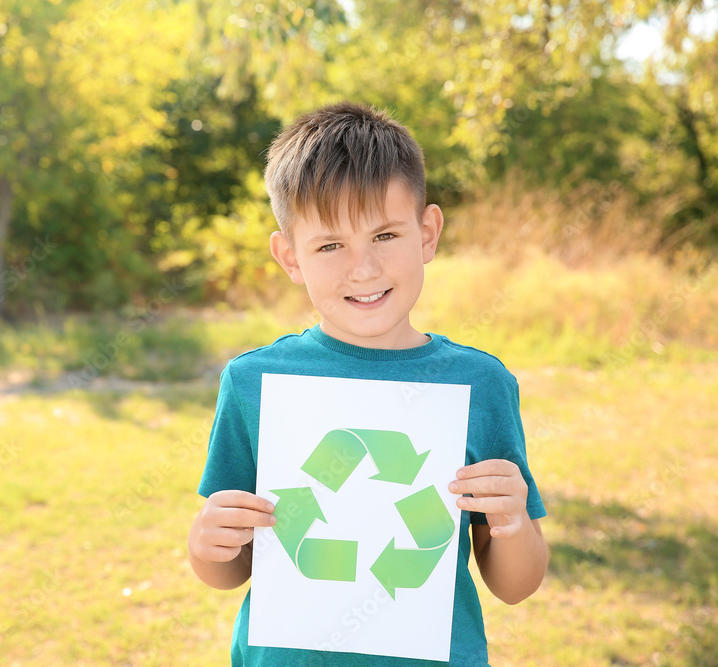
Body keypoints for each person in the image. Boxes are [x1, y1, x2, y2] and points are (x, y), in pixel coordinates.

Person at [187, 100, 549, 666]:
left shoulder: (480, 385)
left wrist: (513, 522)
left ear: (427, 234)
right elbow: (229, 570)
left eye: (384, 235)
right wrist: (207, 544)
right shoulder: (254, 383)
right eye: (330, 245)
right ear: (290, 257)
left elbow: (514, 584)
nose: (363, 268)